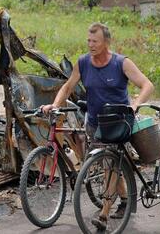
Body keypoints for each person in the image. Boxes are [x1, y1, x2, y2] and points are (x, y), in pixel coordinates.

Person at [40, 22, 154, 229]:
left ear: (106, 43)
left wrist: (136, 104)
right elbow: (67, 88)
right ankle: (126, 199)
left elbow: (147, 85)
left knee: (110, 165)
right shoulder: (83, 63)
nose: (91, 45)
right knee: (105, 164)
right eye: (89, 41)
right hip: (93, 122)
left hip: (118, 122)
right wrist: (54, 104)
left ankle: (104, 214)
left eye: (95, 41)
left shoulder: (121, 63)